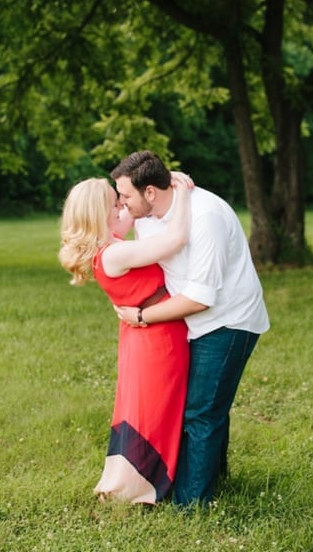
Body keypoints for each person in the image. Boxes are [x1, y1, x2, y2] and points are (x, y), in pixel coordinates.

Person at [109, 150, 270, 507]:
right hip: (186, 321)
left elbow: (201, 298)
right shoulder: (148, 215)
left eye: (126, 196)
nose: (121, 204)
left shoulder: (206, 215)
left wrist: (141, 318)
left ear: (150, 191)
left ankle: (191, 504)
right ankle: (213, 476)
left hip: (228, 321)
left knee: (201, 410)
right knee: (205, 403)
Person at [58, 173, 192, 504]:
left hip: (142, 333)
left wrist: (149, 183)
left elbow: (130, 212)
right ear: (100, 210)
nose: (121, 203)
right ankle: (141, 484)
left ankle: (140, 477)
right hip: (157, 335)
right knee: (155, 408)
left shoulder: (108, 242)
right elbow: (175, 240)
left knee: (143, 404)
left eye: (121, 197)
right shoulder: (112, 253)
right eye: (114, 199)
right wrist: (183, 191)